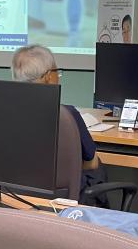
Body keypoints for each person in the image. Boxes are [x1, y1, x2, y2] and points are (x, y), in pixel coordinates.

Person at [11, 44, 107, 206]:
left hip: (15, 200)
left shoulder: (4, 114)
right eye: (57, 72)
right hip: (61, 203)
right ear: (48, 76)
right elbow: (91, 162)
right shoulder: (66, 115)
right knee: (98, 167)